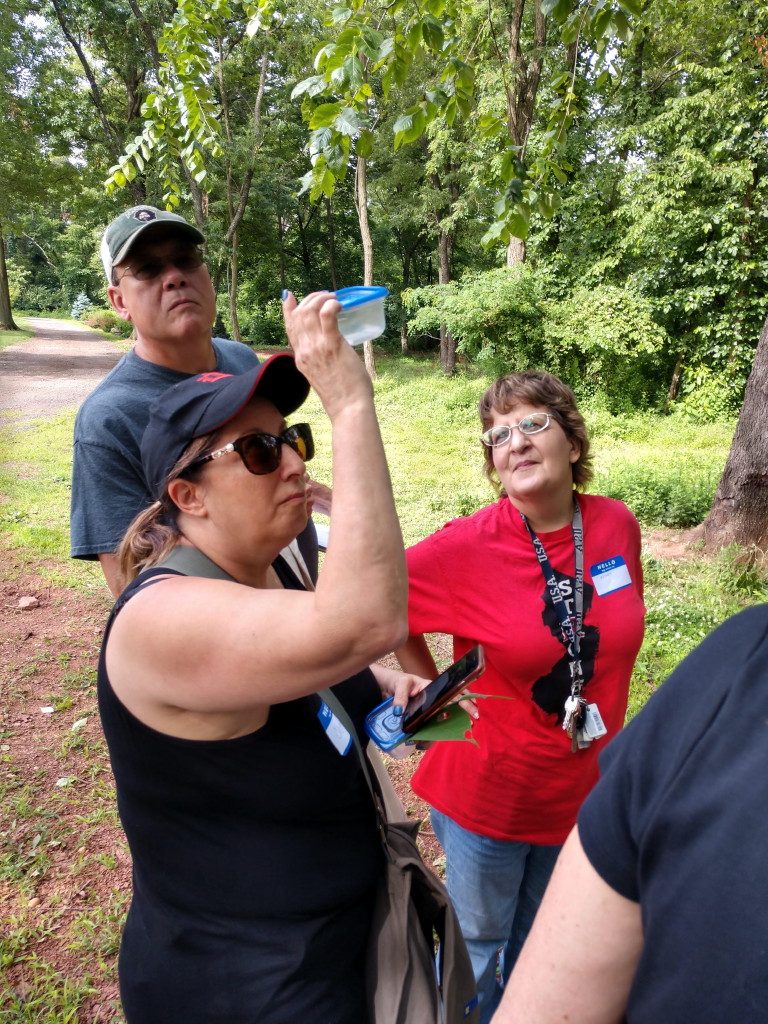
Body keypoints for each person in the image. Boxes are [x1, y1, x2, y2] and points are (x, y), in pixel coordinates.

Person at [97, 292, 427, 1024]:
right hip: (247, 986)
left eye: (292, 438)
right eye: (255, 450)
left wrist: (382, 682)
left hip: (326, 949)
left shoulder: (261, 568)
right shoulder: (159, 620)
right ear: (189, 497)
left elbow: (313, 658)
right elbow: (365, 619)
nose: (289, 463)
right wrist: (348, 407)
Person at [396, 370, 646, 1023]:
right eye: (498, 434)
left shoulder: (616, 526)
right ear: (492, 462)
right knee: (481, 948)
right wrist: (430, 699)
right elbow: (382, 609)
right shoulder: (466, 546)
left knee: (546, 942)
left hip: (583, 792)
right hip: (489, 797)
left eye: (534, 423)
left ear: (571, 439)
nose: (516, 441)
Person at [492, 602, 768, 1024]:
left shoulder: (619, 533)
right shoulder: (745, 660)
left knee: (528, 929)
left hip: (573, 802)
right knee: (481, 936)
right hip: (495, 804)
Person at [70, 204, 326, 597]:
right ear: (119, 301)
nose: (174, 277)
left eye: (185, 260)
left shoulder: (240, 358)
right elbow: (130, 580)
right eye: (148, 270)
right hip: (229, 629)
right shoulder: (108, 418)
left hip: (299, 588)